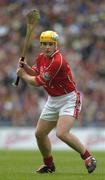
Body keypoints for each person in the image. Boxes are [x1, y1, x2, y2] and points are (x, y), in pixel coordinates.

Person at [16, 30, 96, 174]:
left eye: (50, 44)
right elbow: (36, 72)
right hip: (53, 100)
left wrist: (22, 75)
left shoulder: (57, 61)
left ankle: (88, 157)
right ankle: (49, 165)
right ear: (41, 45)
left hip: (69, 99)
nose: (47, 47)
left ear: (55, 45)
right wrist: (26, 67)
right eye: (44, 44)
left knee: (61, 133)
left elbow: (38, 81)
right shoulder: (42, 57)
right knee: (39, 134)